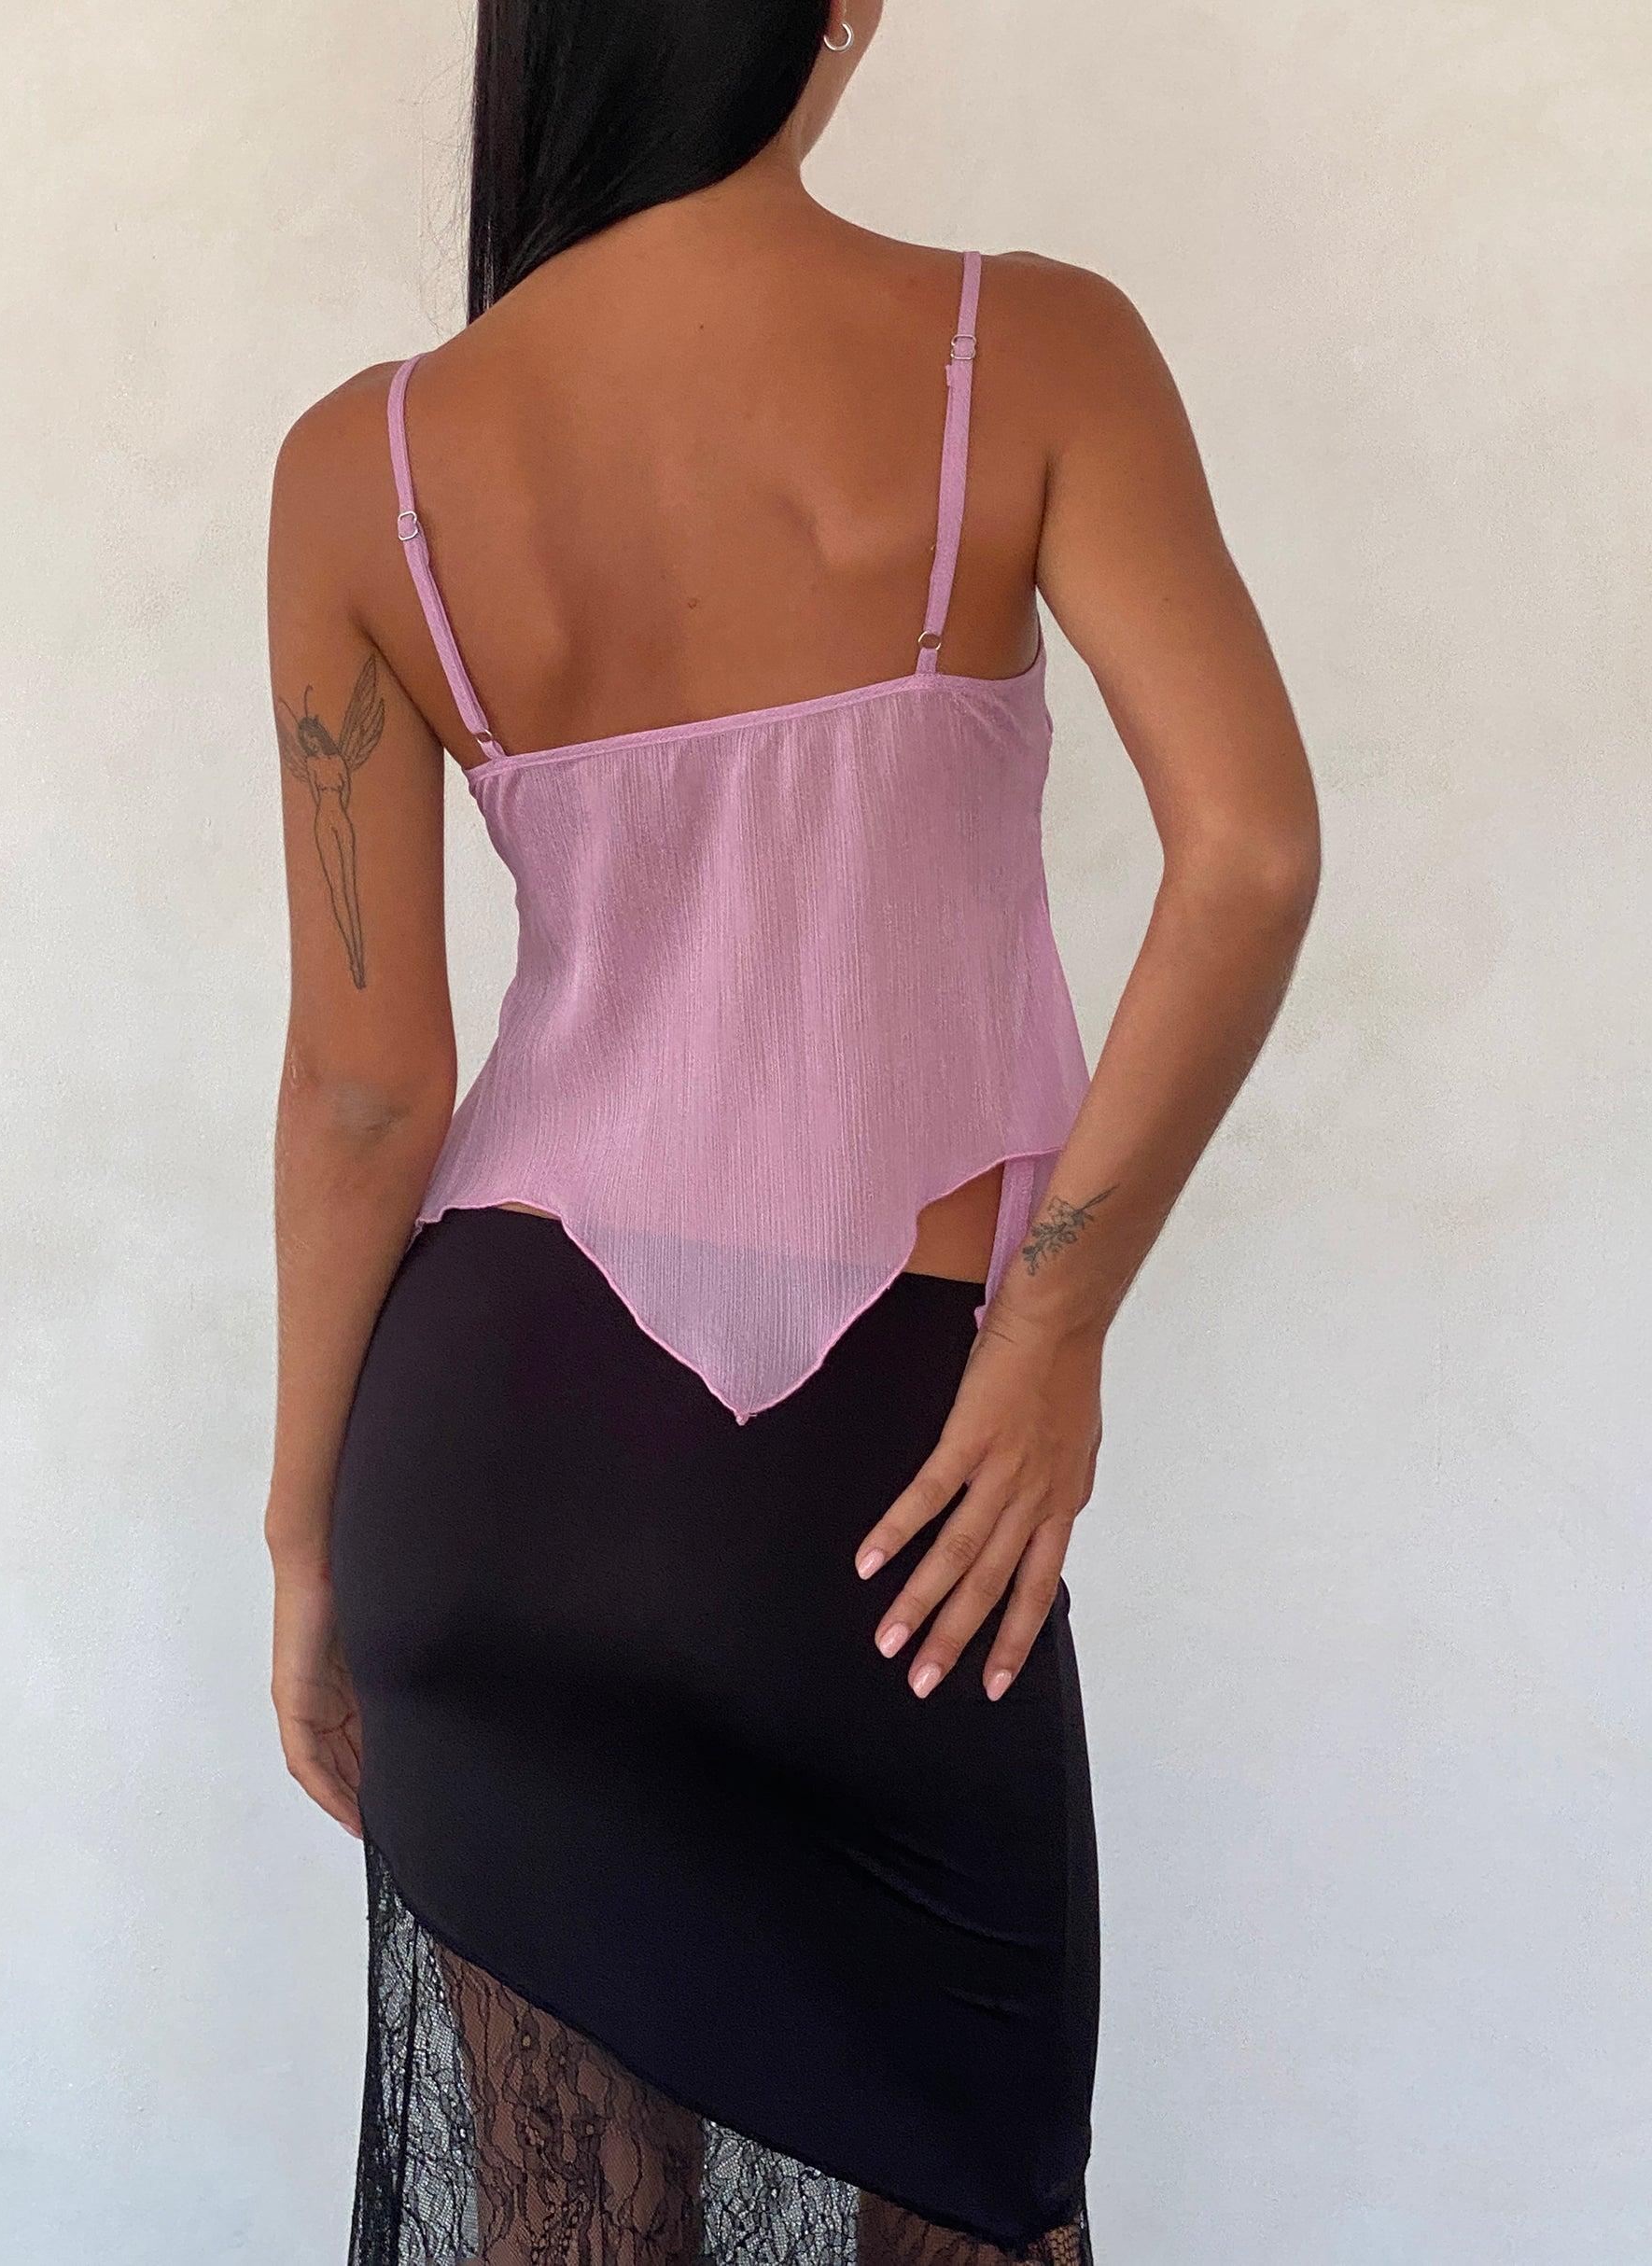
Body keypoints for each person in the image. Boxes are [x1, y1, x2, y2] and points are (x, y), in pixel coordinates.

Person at [263, 5, 1319, 2259]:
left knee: (569, 2230)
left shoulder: (366, 465)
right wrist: (1052, 1335)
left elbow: (363, 1086)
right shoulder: (1026, 350)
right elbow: (1246, 853)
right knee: (964, 2193)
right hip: (876, 1485)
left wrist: (303, 1541)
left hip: (488, 1457)